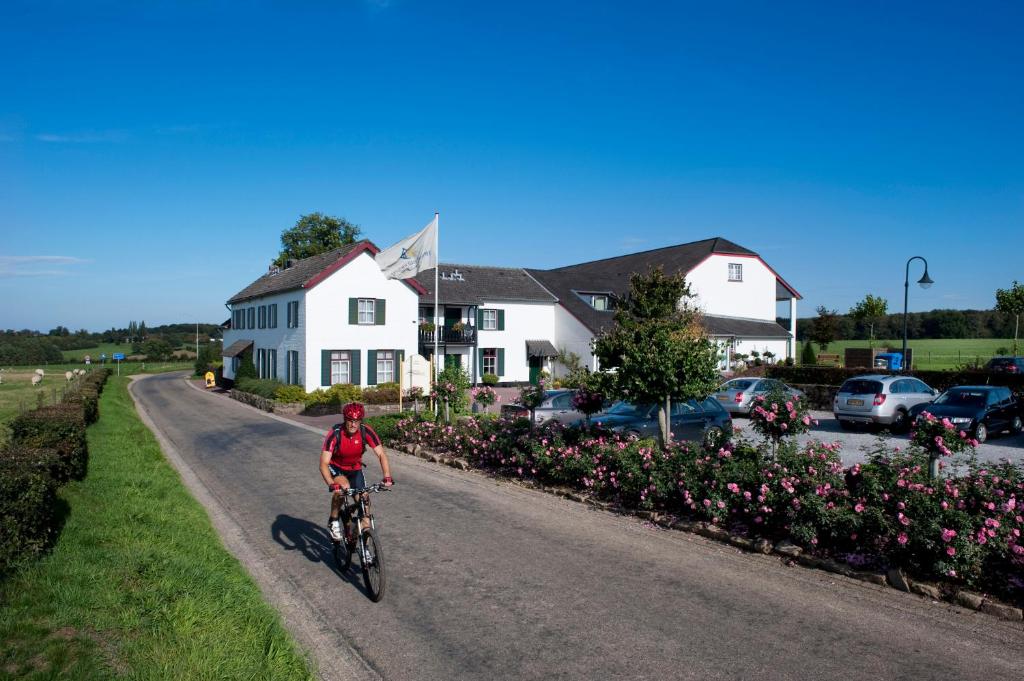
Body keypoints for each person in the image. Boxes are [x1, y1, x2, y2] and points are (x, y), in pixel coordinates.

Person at [320, 402, 393, 544]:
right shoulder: (335, 434)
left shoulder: (366, 431)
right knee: (343, 488)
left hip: (355, 469)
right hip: (337, 467)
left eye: (357, 421)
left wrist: (387, 476)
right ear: (345, 419)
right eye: (350, 420)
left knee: (364, 502)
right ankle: (334, 519)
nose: (353, 424)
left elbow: (381, 455)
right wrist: (331, 483)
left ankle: (364, 547)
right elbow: (323, 463)